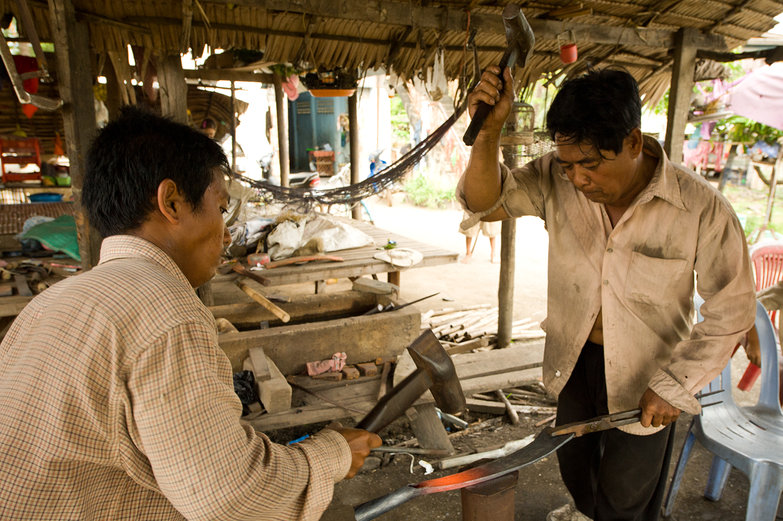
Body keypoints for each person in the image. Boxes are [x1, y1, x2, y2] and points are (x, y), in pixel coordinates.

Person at [0, 107, 381, 520]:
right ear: (172, 202)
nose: (227, 230)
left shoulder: (54, 300)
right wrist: (330, 455)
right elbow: (231, 498)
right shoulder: (165, 310)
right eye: (220, 208)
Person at [458, 66, 756, 521]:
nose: (577, 179)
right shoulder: (555, 180)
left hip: (649, 375)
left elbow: (731, 308)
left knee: (627, 497)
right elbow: (484, 203)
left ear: (634, 142)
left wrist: (676, 385)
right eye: (567, 165)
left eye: (591, 164)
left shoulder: (700, 208)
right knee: (576, 472)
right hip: (574, 361)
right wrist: (488, 132)